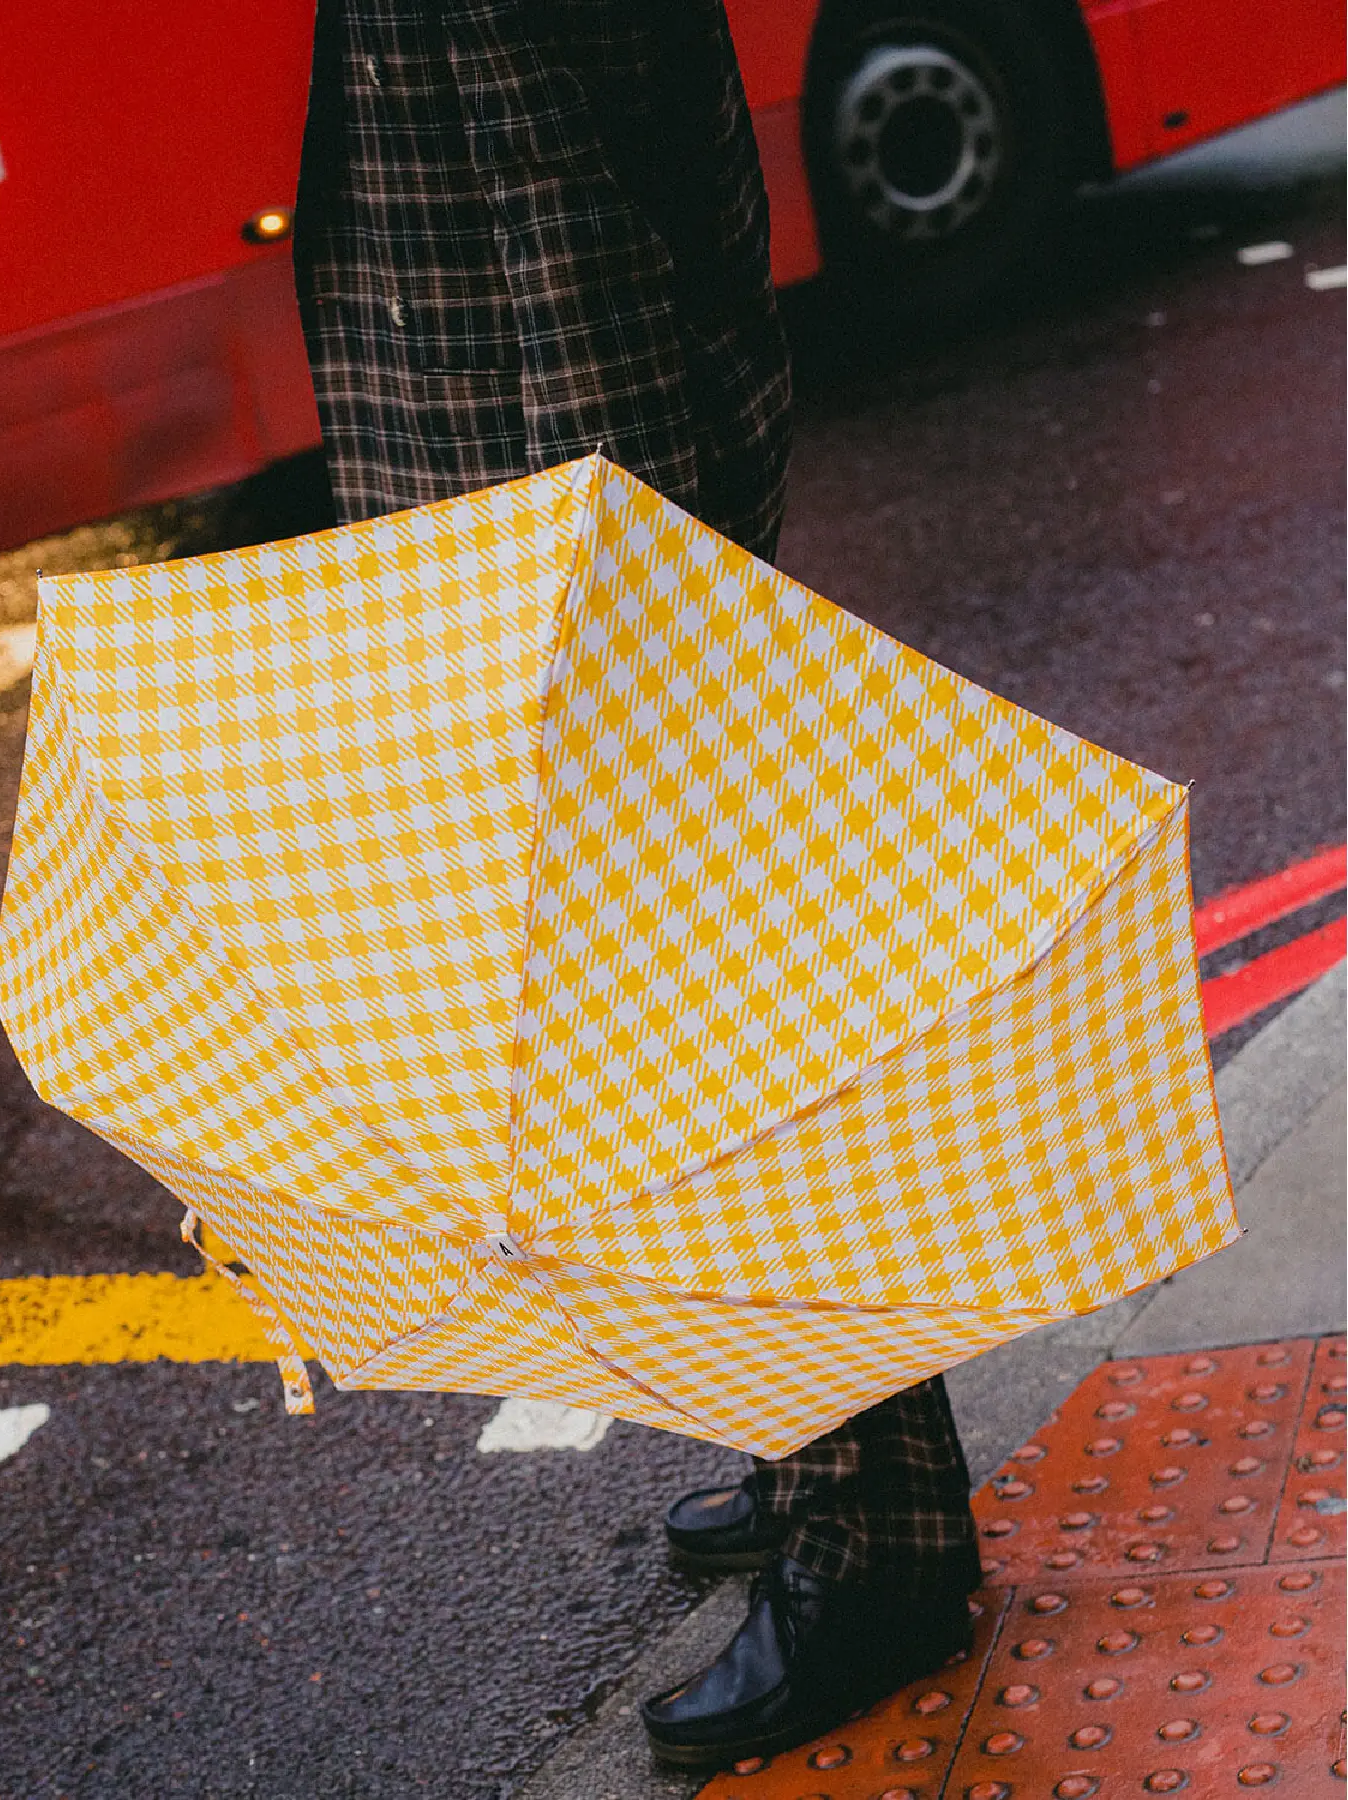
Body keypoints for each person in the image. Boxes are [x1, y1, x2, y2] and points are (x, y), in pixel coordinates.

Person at [291, 0, 980, 1770]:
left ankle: (874, 1538)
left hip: (570, 513)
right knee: (695, 1012)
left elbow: (567, 207)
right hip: (548, 485)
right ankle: (818, 1452)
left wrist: (626, 595)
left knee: (715, 1022)